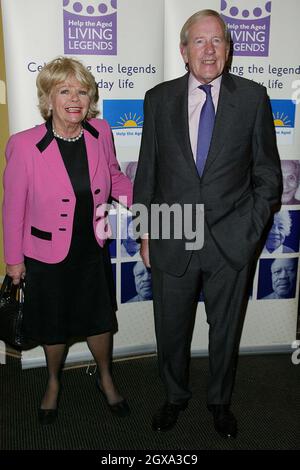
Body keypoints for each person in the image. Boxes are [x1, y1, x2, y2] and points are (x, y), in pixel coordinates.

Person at [133, 9, 282, 438]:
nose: (209, 49)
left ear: (229, 48)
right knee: (171, 327)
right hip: (171, 233)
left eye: (217, 40)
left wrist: (250, 227)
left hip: (231, 241)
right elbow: (148, 171)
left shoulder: (252, 98)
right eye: (199, 41)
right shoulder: (158, 99)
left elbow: (268, 175)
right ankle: (174, 396)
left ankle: (220, 401)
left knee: (225, 330)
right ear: (184, 50)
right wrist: (146, 231)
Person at [2, 57, 133, 425]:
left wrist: (146, 198)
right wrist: (14, 261)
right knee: (53, 323)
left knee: (99, 321)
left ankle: (105, 377)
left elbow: (113, 177)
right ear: (48, 98)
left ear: (90, 97)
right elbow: (13, 209)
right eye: (64, 91)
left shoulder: (100, 132)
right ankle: (54, 381)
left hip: (90, 248)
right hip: (45, 255)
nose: (74, 99)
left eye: (81, 91)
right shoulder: (25, 145)